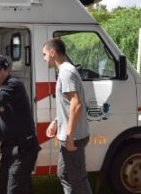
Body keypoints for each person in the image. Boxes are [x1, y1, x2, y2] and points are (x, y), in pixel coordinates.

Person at [0, 54, 41, 194]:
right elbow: (2, 126)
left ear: (6, 70)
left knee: (14, 190)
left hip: (23, 150)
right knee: (3, 190)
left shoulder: (14, 84)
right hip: (9, 151)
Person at [43, 38, 92, 194]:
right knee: (63, 174)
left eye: (44, 54)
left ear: (52, 53)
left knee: (78, 180)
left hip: (74, 137)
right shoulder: (66, 71)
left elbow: (76, 104)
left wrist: (70, 136)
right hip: (69, 135)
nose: (44, 58)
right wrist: (56, 122)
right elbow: (68, 103)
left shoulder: (66, 72)